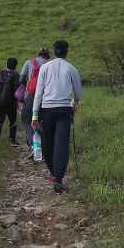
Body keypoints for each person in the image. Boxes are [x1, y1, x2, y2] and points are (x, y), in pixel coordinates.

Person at [31, 40, 82, 194]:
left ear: (54, 51)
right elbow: (78, 92)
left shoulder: (45, 67)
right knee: (61, 144)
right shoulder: (71, 68)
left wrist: (34, 115)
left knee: (47, 142)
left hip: (47, 110)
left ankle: (54, 172)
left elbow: (38, 92)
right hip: (64, 110)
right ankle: (58, 179)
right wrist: (74, 103)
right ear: (67, 52)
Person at [18, 48, 50, 152]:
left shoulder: (29, 63)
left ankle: (33, 145)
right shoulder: (50, 64)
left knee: (27, 120)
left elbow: (21, 79)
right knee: (42, 121)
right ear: (47, 56)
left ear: (38, 54)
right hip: (46, 98)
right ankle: (43, 145)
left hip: (31, 96)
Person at [0, 58, 19, 145]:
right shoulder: (16, 75)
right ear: (15, 66)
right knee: (13, 121)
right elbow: (17, 89)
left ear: (6, 64)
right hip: (11, 103)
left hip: (0, 101)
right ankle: (12, 140)